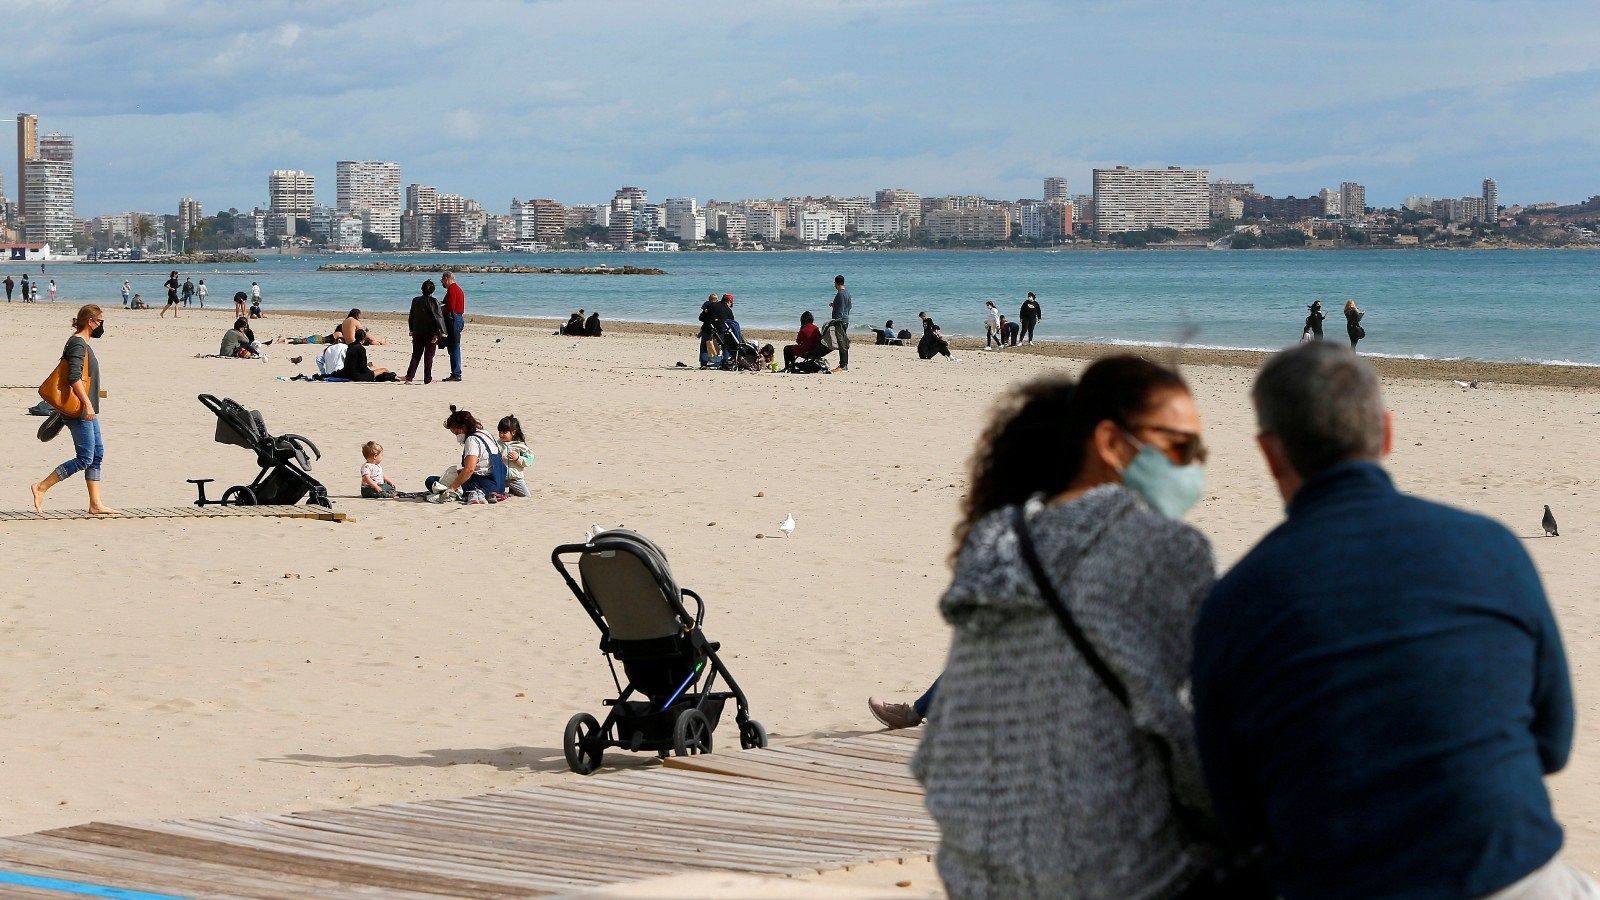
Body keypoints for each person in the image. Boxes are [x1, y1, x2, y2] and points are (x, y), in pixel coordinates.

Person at [1192, 342, 1585, 900]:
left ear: (1270, 454)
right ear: (1387, 433)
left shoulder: (1236, 600)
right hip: (1514, 873)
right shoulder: (1492, 548)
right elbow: (1553, 742)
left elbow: (1235, 806)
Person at [910, 356, 1221, 898]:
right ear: (1110, 443)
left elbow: (940, 751)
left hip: (975, 868)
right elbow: (1184, 741)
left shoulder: (995, 541)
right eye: (1180, 447)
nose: (1193, 467)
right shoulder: (1167, 552)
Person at [32, 305, 117, 515]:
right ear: (90, 322)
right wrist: (87, 404)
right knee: (85, 458)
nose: (102, 326)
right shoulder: (78, 344)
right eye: (101, 322)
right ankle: (41, 486)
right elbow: (74, 378)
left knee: (97, 455)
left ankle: (95, 504)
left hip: (87, 409)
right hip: (80, 409)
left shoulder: (81, 343)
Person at [427, 406, 504, 504]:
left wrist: (452, 488)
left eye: (456, 433)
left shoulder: (471, 440)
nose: (457, 437)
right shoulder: (485, 433)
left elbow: (469, 469)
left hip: (485, 485)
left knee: (431, 481)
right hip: (499, 483)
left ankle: (452, 494)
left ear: (463, 428)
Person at [406, 279, 447, 384]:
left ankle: (409, 378)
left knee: (416, 354)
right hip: (431, 333)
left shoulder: (415, 300)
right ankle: (427, 378)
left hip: (418, 331)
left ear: (422, 289)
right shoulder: (434, 301)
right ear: (433, 290)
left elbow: (412, 316)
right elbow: (439, 318)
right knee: (429, 356)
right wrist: (441, 333)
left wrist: (411, 329)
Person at [498, 415, 533, 498]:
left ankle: (513, 490)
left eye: (504, 432)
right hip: (500, 478)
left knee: (527, 496)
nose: (501, 435)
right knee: (491, 492)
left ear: (513, 432)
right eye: (500, 432)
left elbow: (529, 460)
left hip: (516, 479)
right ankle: (508, 493)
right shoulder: (497, 445)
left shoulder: (520, 446)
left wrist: (518, 458)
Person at [440, 270, 466, 381]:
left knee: (454, 346)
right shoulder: (456, 289)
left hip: (453, 319)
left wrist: (440, 309)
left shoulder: (452, 289)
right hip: (457, 318)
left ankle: (456, 374)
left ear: (447, 279)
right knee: (453, 345)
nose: (442, 283)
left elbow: (450, 306)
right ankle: (455, 373)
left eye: (442, 280)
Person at [829, 275, 851, 370]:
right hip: (845, 319)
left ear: (836, 283)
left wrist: (835, 321)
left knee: (841, 343)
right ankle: (844, 364)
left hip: (840, 321)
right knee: (843, 342)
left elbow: (840, 310)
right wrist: (834, 305)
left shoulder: (840, 294)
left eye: (834, 284)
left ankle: (843, 365)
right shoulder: (847, 293)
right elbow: (848, 306)